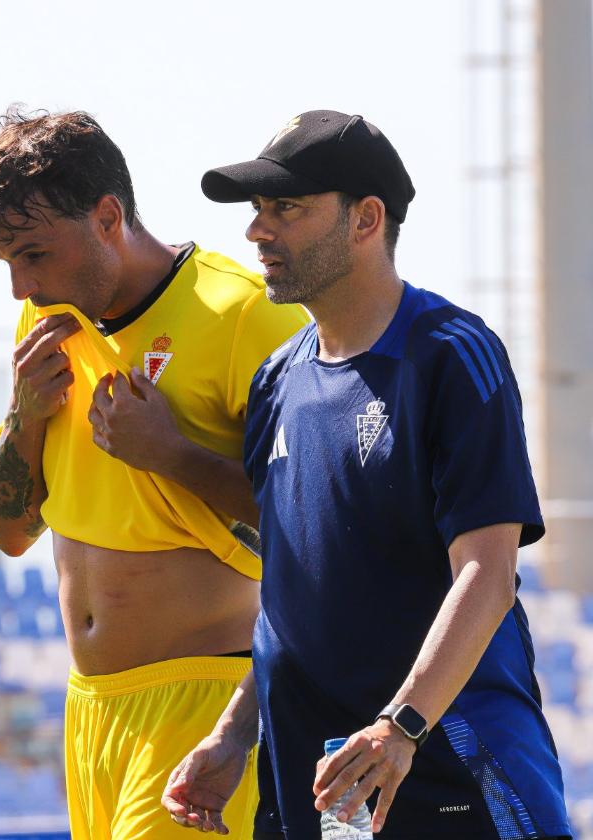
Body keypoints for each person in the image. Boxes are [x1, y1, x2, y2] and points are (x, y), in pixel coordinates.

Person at [162, 111, 571, 839]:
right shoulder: (277, 382)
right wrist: (234, 732)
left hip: (446, 765)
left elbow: (488, 573)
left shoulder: (451, 355)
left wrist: (402, 726)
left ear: (366, 219)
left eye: (286, 208)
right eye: (257, 211)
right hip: (314, 790)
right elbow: (294, 592)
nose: (258, 231)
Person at [0, 107, 308, 840]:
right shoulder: (49, 320)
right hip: (90, 710)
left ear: (108, 216)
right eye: (7, 263)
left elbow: (323, 529)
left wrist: (171, 454)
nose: (20, 287)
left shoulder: (245, 313)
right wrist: (24, 420)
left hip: (203, 701)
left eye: (34, 254)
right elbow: (9, 530)